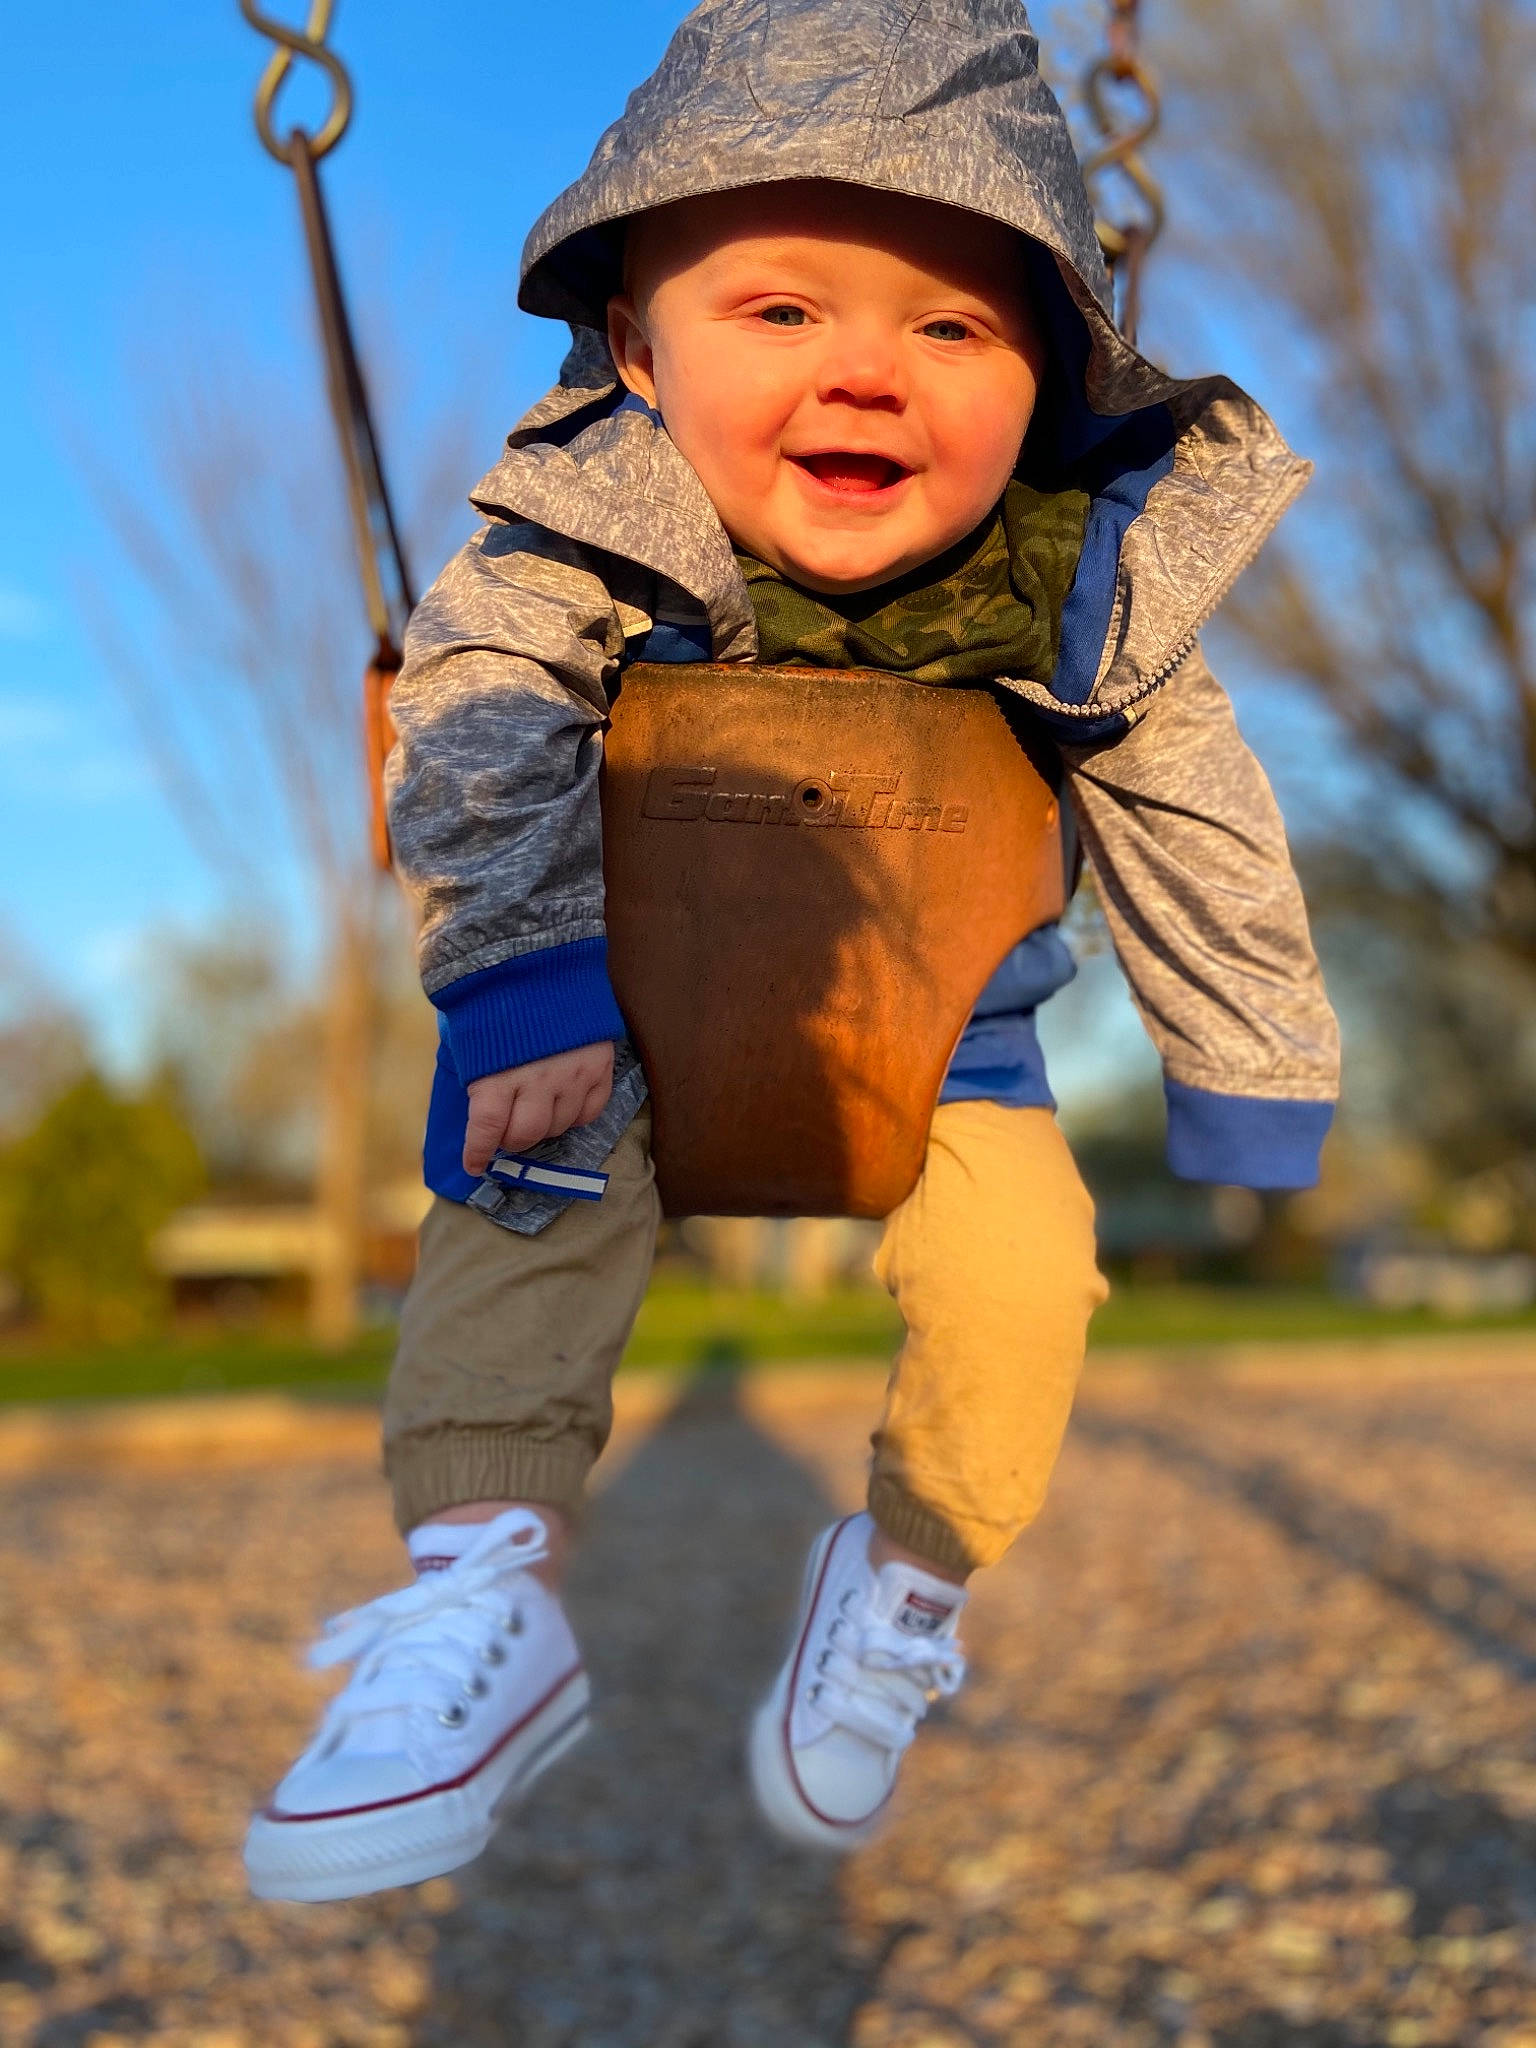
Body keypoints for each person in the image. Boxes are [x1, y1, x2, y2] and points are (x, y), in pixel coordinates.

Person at [244, 0, 1339, 1902]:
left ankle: (904, 1581)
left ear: (1054, 380)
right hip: (601, 1022)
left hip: (950, 1060)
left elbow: (1203, 820)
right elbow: (485, 725)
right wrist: (517, 984)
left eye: (953, 325)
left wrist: (1249, 1077)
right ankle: (485, 1605)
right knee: (520, 1204)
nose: (868, 373)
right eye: (781, 312)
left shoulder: (1072, 593)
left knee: (1028, 1281)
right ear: (633, 349)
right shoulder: (571, 550)